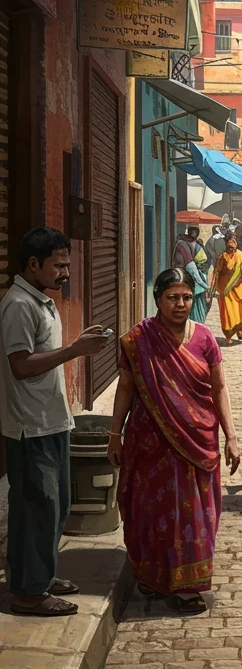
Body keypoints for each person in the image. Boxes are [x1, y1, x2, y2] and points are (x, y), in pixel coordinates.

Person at [107, 267, 240, 613]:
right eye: (172, 297)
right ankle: (151, 577)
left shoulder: (205, 339)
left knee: (196, 513)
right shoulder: (138, 340)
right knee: (150, 511)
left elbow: (219, 388)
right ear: (157, 300)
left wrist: (231, 437)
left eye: (185, 297)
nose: (180, 304)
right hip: (150, 443)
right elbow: (125, 387)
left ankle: (188, 586)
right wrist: (114, 434)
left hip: (198, 442)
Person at [0, 227, 111, 617]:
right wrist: (74, 350)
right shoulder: (18, 305)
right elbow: (21, 366)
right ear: (34, 264)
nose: (65, 272)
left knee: (55, 505)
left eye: (67, 264)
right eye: (58, 265)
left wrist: (76, 343)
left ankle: (37, 577)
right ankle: (29, 594)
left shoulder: (40, 300)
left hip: (52, 421)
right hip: (31, 426)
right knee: (37, 507)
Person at [208, 233, 242, 343]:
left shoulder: (241, 255)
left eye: (233, 243)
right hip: (226, 290)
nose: (231, 245)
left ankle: (239, 330)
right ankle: (228, 336)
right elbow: (216, 273)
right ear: (226, 244)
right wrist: (212, 289)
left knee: (240, 312)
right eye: (229, 243)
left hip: (239, 289)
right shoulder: (222, 257)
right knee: (228, 313)